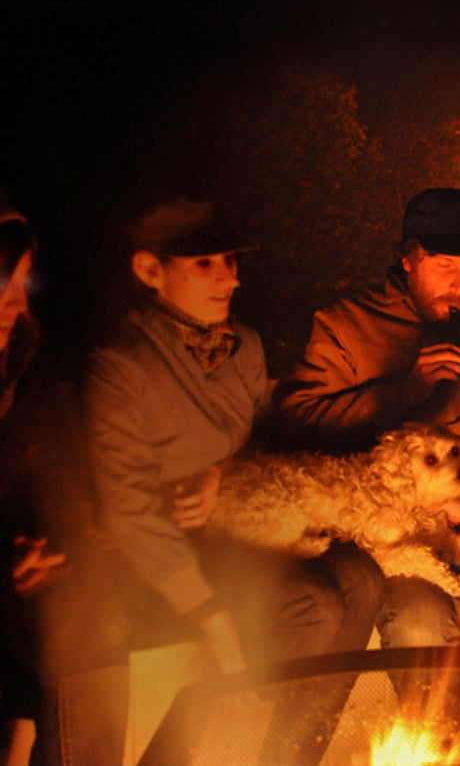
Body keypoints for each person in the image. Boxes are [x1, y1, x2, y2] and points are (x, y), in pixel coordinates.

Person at [83, 197, 383, 764]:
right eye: (204, 264)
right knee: (312, 605)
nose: (230, 278)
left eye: (230, 260)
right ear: (150, 270)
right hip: (161, 558)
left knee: (362, 579)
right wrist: (211, 616)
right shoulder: (121, 366)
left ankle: (291, 756)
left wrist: (220, 473)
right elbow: (126, 509)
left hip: (243, 535)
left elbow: (263, 441)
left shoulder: (244, 346)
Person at [275, 187, 460, 650]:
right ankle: (431, 702)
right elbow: (297, 423)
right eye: (446, 267)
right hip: (392, 530)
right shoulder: (347, 324)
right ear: (408, 258)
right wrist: (403, 393)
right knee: (418, 620)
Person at [0, 193, 69, 766]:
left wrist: (40, 550)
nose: (17, 303)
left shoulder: (20, 367)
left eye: (23, 283)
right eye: (4, 283)